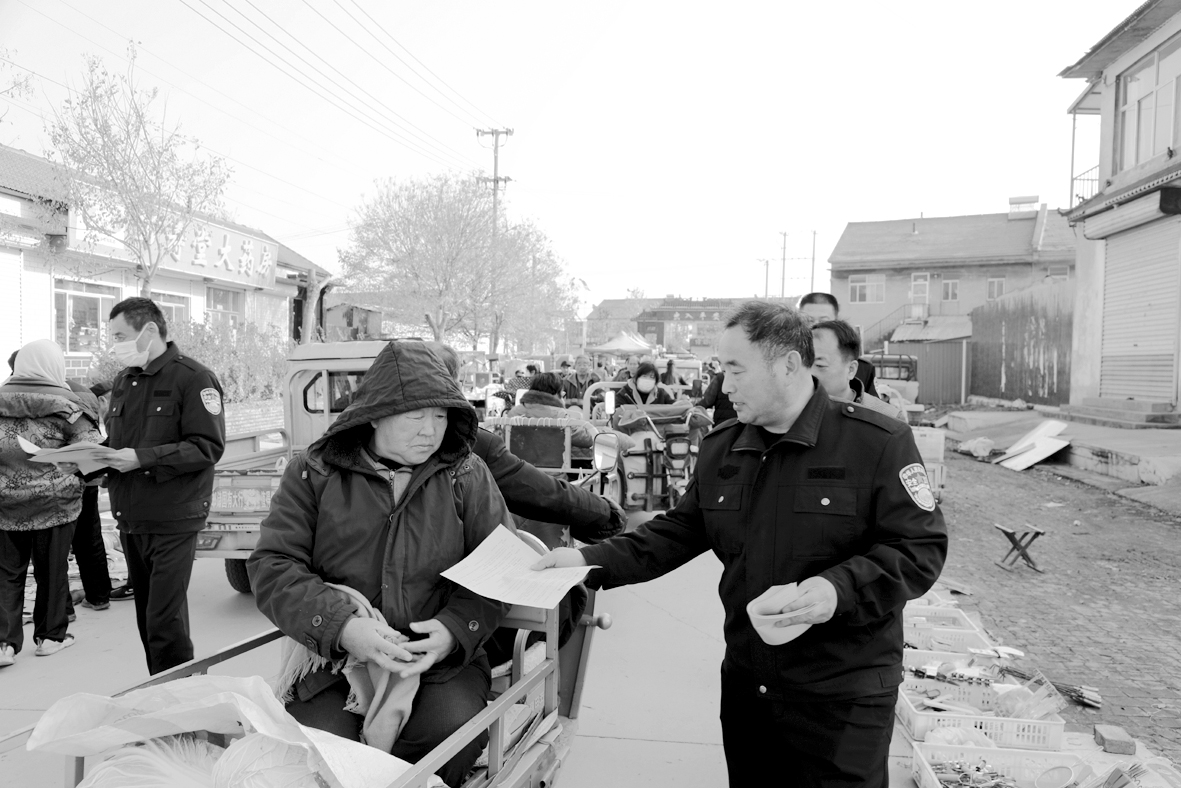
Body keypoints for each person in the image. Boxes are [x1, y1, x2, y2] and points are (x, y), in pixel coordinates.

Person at [534, 300, 948, 787]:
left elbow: (919, 549)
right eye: (721, 370)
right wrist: (584, 560)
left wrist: (838, 589)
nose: (724, 387)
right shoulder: (724, 447)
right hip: (751, 690)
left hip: (842, 696)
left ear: (788, 365)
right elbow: (674, 533)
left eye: (735, 370)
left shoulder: (876, 442)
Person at [248, 340, 514, 787]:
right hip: (338, 659)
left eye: (441, 416)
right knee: (317, 753)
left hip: (441, 662)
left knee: (445, 740)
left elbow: (501, 567)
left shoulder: (464, 474)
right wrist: (344, 628)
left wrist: (454, 630)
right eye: (415, 416)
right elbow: (273, 566)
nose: (430, 431)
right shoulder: (315, 473)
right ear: (374, 415)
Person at [94, 297, 226, 675]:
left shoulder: (194, 378)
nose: (115, 345)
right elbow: (121, 444)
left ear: (150, 330)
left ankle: (183, 698)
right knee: (148, 622)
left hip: (174, 517)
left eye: (120, 336)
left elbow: (206, 447)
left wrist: (142, 458)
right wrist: (90, 461)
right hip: (132, 517)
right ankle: (166, 691)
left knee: (164, 623)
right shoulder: (125, 380)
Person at [0, 340, 101, 666]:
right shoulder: (70, 407)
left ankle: (4, 644)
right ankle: (49, 638)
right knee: (52, 572)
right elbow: (92, 457)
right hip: (55, 507)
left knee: (6, 574)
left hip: (4, 506)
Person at [811, 320, 906, 423]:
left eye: (820, 365)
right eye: (804, 364)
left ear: (851, 370)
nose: (810, 373)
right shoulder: (798, 409)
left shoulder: (887, 419)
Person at [797, 292, 879, 398]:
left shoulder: (862, 369)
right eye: (809, 320)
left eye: (823, 321)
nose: (815, 325)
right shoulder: (785, 361)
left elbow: (872, 406)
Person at [508, 372, 599, 451]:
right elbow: (587, 440)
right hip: (553, 465)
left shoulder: (514, 412)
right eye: (562, 393)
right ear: (556, 393)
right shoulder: (559, 415)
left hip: (519, 464)